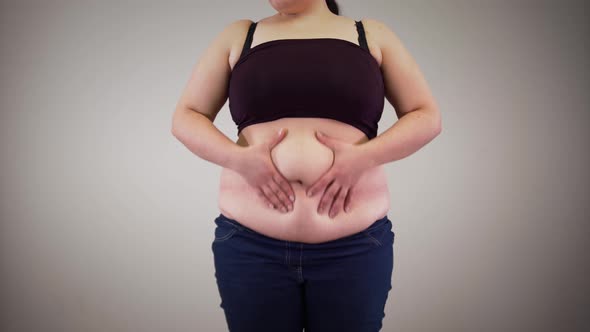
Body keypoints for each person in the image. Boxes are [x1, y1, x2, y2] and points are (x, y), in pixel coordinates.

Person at [171, 0, 441, 330]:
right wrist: (237, 159)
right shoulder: (241, 36)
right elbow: (186, 116)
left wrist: (364, 157)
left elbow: (426, 116)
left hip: (353, 249)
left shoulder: (370, 36)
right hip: (251, 248)